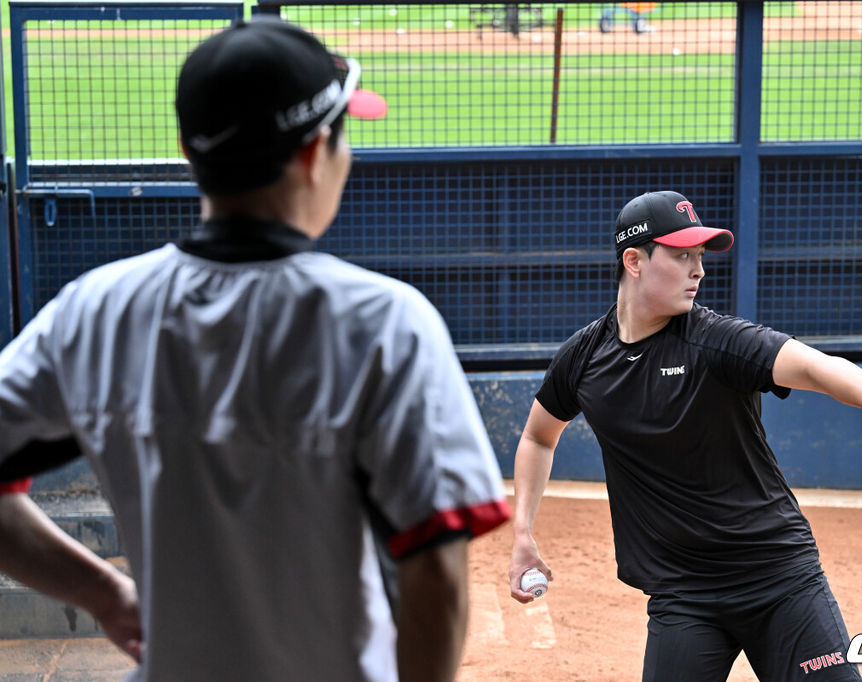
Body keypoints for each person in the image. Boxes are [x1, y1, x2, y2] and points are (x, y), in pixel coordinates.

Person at [0, 17, 509, 682]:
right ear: (312, 153)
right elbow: (437, 578)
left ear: (187, 149)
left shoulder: (95, 310)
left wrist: (104, 593)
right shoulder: (384, 324)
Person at [507, 190, 862, 681]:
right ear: (634, 261)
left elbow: (819, 367)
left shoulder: (716, 341)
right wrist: (522, 533)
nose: (698, 270)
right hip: (683, 595)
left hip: (779, 581)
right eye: (682, 255)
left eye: (700, 256)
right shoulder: (584, 359)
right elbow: (538, 437)